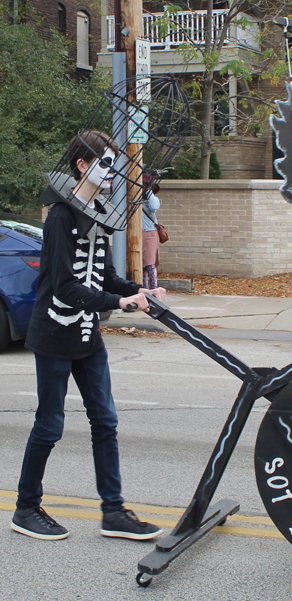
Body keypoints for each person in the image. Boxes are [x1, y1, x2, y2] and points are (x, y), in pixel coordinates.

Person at [11, 130, 166, 541]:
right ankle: (25, 508)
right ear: (82, 165)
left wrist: (138, 291)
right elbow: (64, 286)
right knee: (49, 425)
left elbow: (104, 275)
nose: (112, 174)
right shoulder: (61, 216)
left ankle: (112, 512)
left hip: (86, 336)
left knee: (106, 420)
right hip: (55, 333)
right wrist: (121, 305)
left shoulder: (97, 210)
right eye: (105, 164)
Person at [142, 172, 161, 290]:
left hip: (149, 233)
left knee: (150, 264)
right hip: (138, 234)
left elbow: (154, 207)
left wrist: (148, 191)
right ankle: (144, 289)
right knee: (141, 266)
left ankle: (154, 289)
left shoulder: (153, 199)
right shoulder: (134, 198)